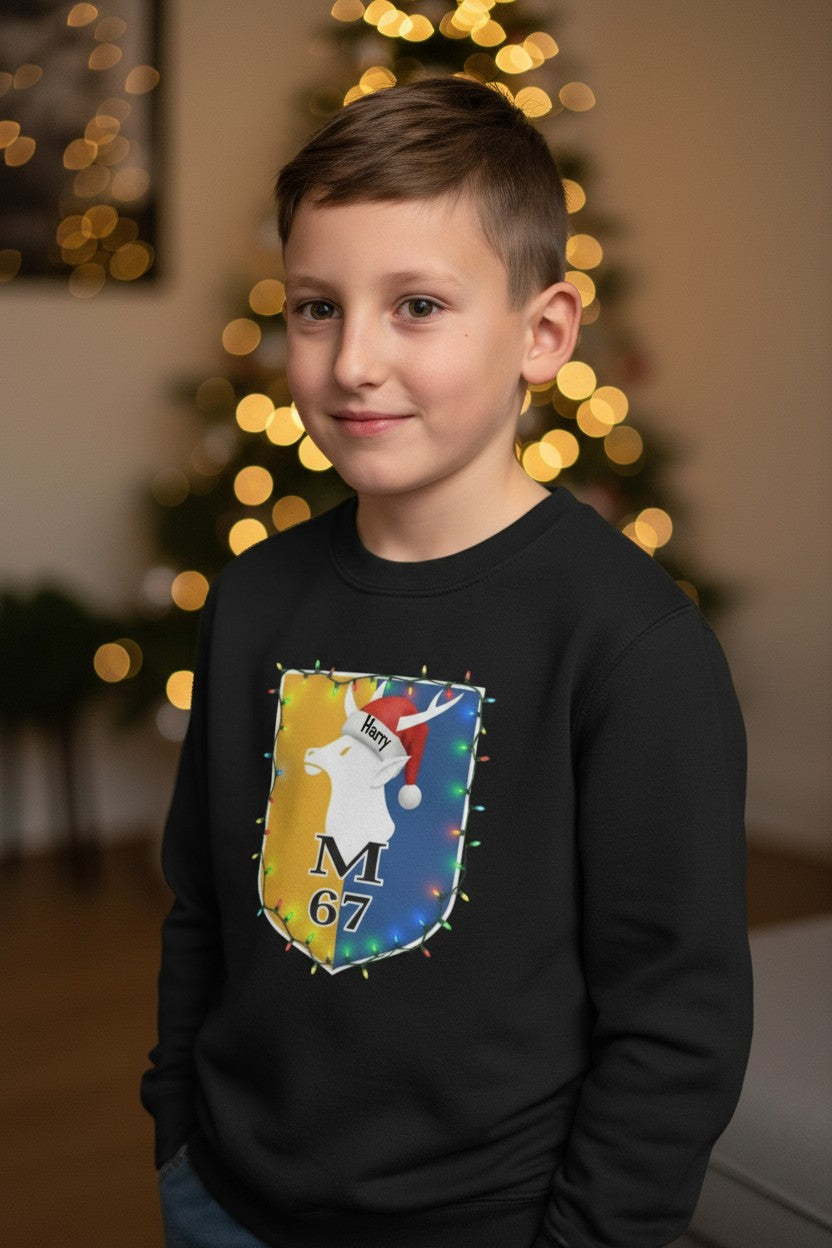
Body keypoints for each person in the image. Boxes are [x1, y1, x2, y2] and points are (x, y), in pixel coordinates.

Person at [141, 77, 752, 1248]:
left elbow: (677, 1016)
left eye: (416, 305)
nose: (352, 362)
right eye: (316, 308)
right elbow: (204, 907)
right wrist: (177, 1126)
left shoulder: (629, 643)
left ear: (544, 333)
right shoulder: (253, 598)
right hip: (221, 1198)